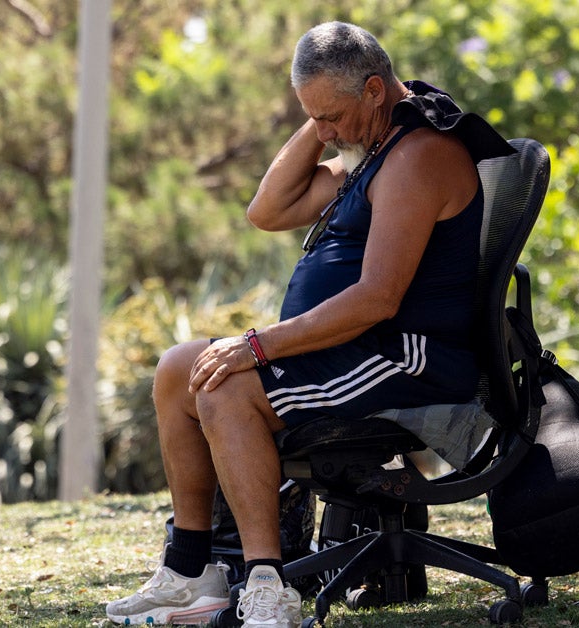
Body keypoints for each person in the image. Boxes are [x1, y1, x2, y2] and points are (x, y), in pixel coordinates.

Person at [105, 21, 511, 627]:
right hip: (354, 350)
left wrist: (256, 347)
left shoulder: (417, 156)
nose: (323, 134)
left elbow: (377, 299)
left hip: (404, 359)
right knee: (176, 370)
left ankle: (268, 586)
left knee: (228, 384)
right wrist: (327, 115)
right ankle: (193, 572)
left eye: (332, 116)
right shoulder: (368, 150)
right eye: (312, 117)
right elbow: (267, 211)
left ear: (376, 90)